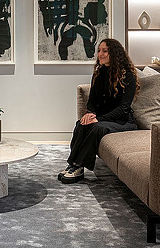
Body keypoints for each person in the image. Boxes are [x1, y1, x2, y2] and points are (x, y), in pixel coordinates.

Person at [58, 38, 137, 183]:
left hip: (123, 121)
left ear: (114, 53)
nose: (100, 54)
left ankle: (78, 166)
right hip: (102, 118)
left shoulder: (128, 77)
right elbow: (92, 101)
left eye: (104, 51)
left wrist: (98, 119)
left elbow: (124, 109)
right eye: (99, 51)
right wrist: (90, 114)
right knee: (81, 124)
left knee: (96, 128)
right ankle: (74, 165)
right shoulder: (99, 74)